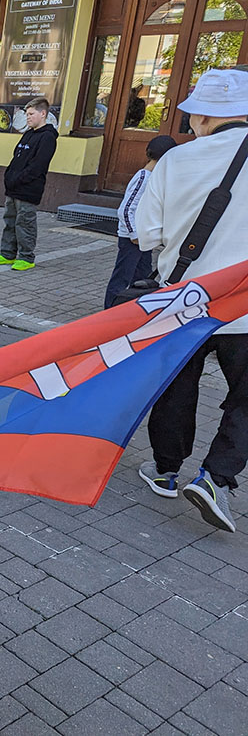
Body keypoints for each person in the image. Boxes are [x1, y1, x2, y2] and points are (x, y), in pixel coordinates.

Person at [134, 68, 248, 532]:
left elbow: (146, 235)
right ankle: (216, 478)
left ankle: (165, 470)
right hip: (245, 309)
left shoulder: (175, 160)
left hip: (185, 301)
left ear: (202, 116)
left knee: (177, 388)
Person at [103, 134, 176, 309]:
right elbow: (126, 209)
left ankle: (135, 309)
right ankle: (110, 310)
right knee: (122, 276)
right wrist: (134, 234)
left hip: (143, 238)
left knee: (143, 276)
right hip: (132, 239)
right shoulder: (144, 177)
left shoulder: (155, 178)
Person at [0, 97, 58, 272]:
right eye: (27, 114)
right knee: (10, 221)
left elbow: (38, 166)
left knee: (25, 222)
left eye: (31, 114)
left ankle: (26, 257)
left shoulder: (47, 137)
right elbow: (16, 157)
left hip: (28, 189)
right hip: (13, 187)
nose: (28, 117)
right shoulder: (28, 134)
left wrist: (19, 179)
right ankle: (7, 254)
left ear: (43, 114)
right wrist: (9, 176)